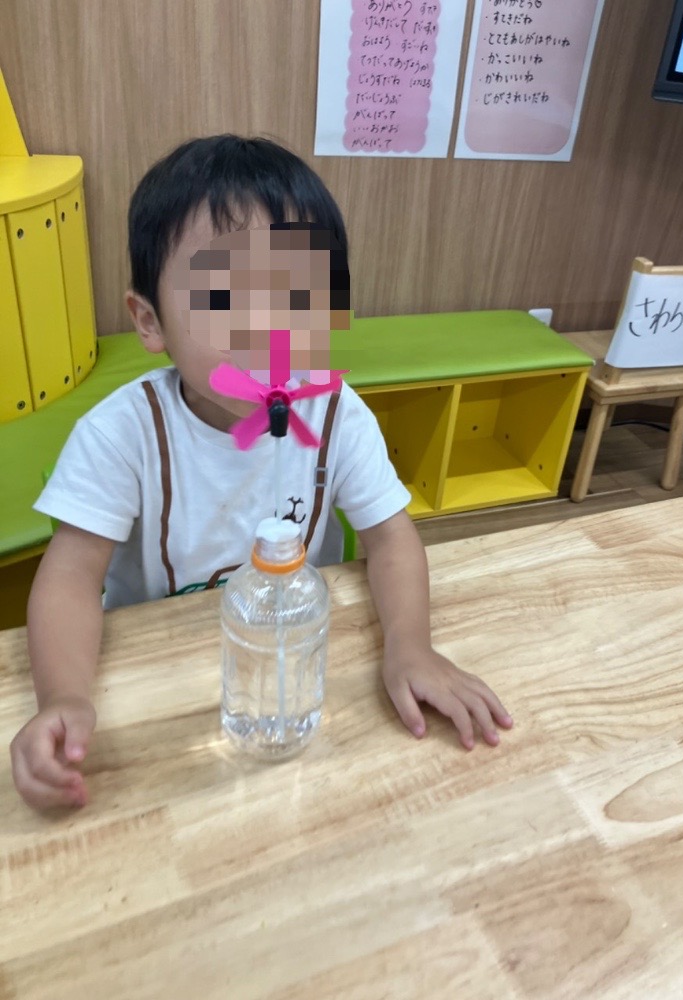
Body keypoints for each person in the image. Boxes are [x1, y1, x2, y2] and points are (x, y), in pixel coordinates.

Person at [10, 135, 513, 810]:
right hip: (163, 680)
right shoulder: (122, 435)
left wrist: (411, 647)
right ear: (150, 321)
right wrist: (64, 697)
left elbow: (392, 538)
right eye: (225, 298)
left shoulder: (335, 412)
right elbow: (70, 578)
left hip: (293, 667)